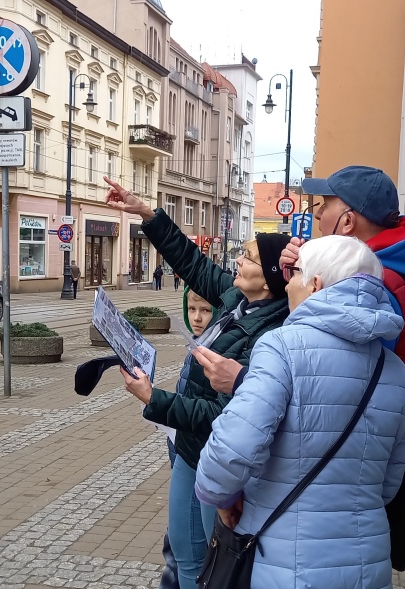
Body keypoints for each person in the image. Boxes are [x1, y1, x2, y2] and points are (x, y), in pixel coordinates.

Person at [195, 235, 405, 588]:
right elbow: (389, 484)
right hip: (367, 566)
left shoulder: (280, 348)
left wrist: (222, 497)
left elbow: (230, 451)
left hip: (285, 565)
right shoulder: (395, 371)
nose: (288, 284)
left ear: (316, 284)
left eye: (294, 274)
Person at [104, 176, 292, 589]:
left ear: (272, 279)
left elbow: (222, 413)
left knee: (205, 566)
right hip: (190, 449)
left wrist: (155, 399)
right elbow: (189, 261)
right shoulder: (237, 299)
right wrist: (145, 213)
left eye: (248, 258)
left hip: (217, 455)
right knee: (187, 557)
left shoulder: (267, 336)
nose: (237, 263)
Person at [280, 165, 405, 380]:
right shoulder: (399, 264)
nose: (318, 215)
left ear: (347, 222)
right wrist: (299, 271)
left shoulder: (366, 284)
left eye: (325, 206)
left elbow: (326, 372)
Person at [157, 287, 213, 589]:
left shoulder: (219, 348)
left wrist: (161, 405)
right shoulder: (198, 346)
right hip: (185, 452)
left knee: (201, 557)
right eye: (192, 310)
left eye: (205, 310)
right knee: (181, 553)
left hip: (208, 459)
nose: (197, 318)